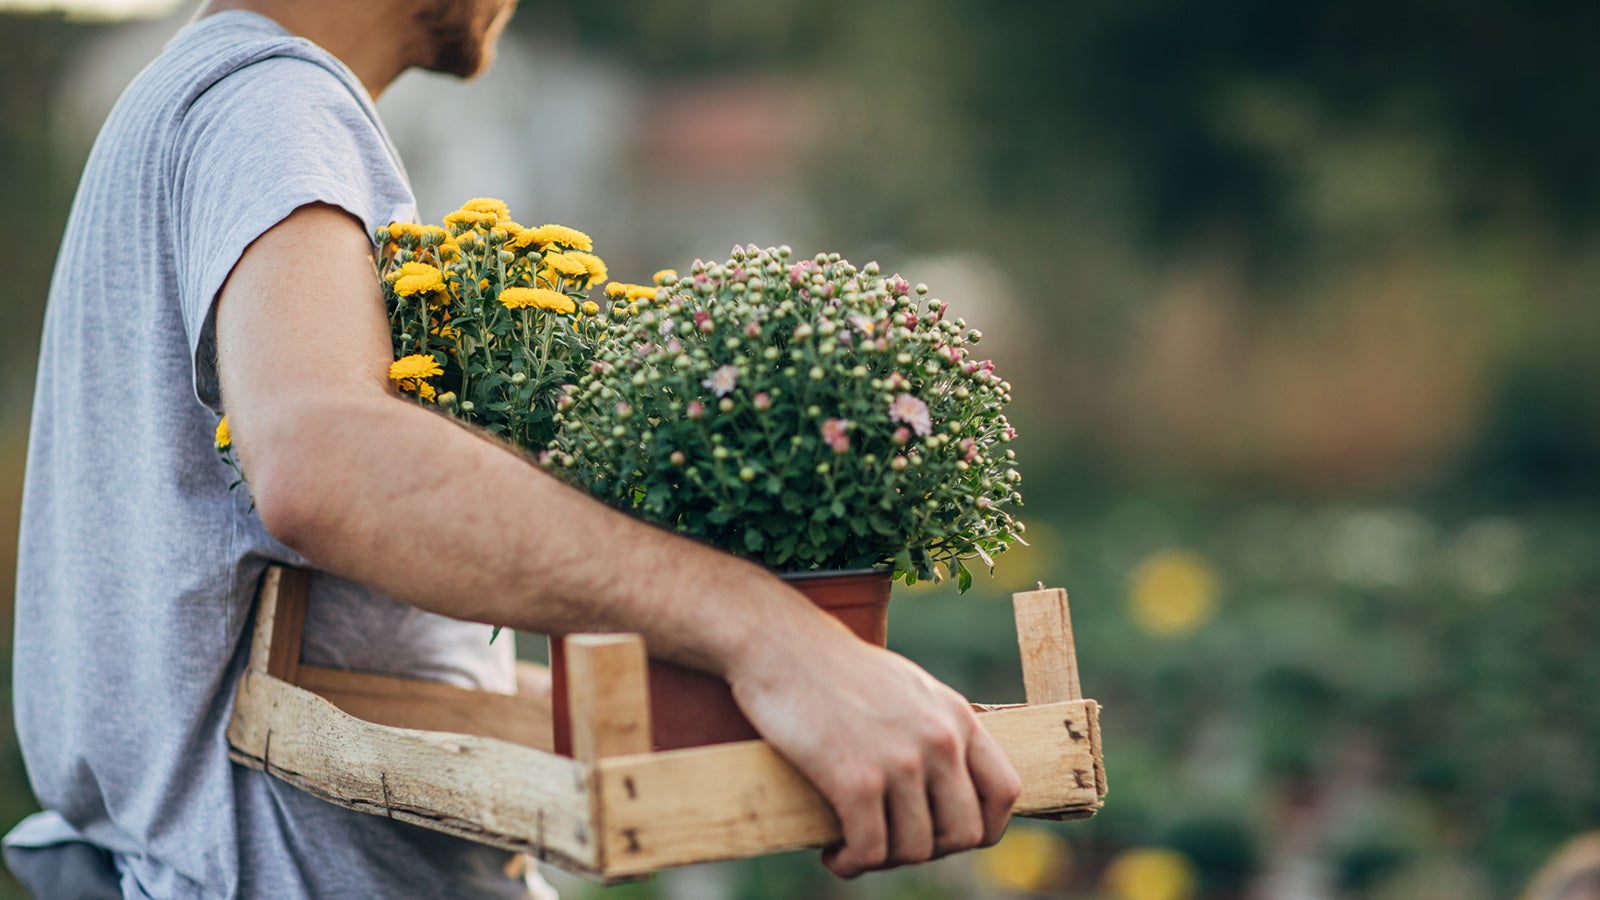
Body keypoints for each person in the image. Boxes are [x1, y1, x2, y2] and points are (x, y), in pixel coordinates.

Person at [4, 0, 1022, 896]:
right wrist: (774, 635)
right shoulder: (270, 104)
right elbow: (324, 457)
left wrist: (704, 705)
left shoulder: (186, 104)